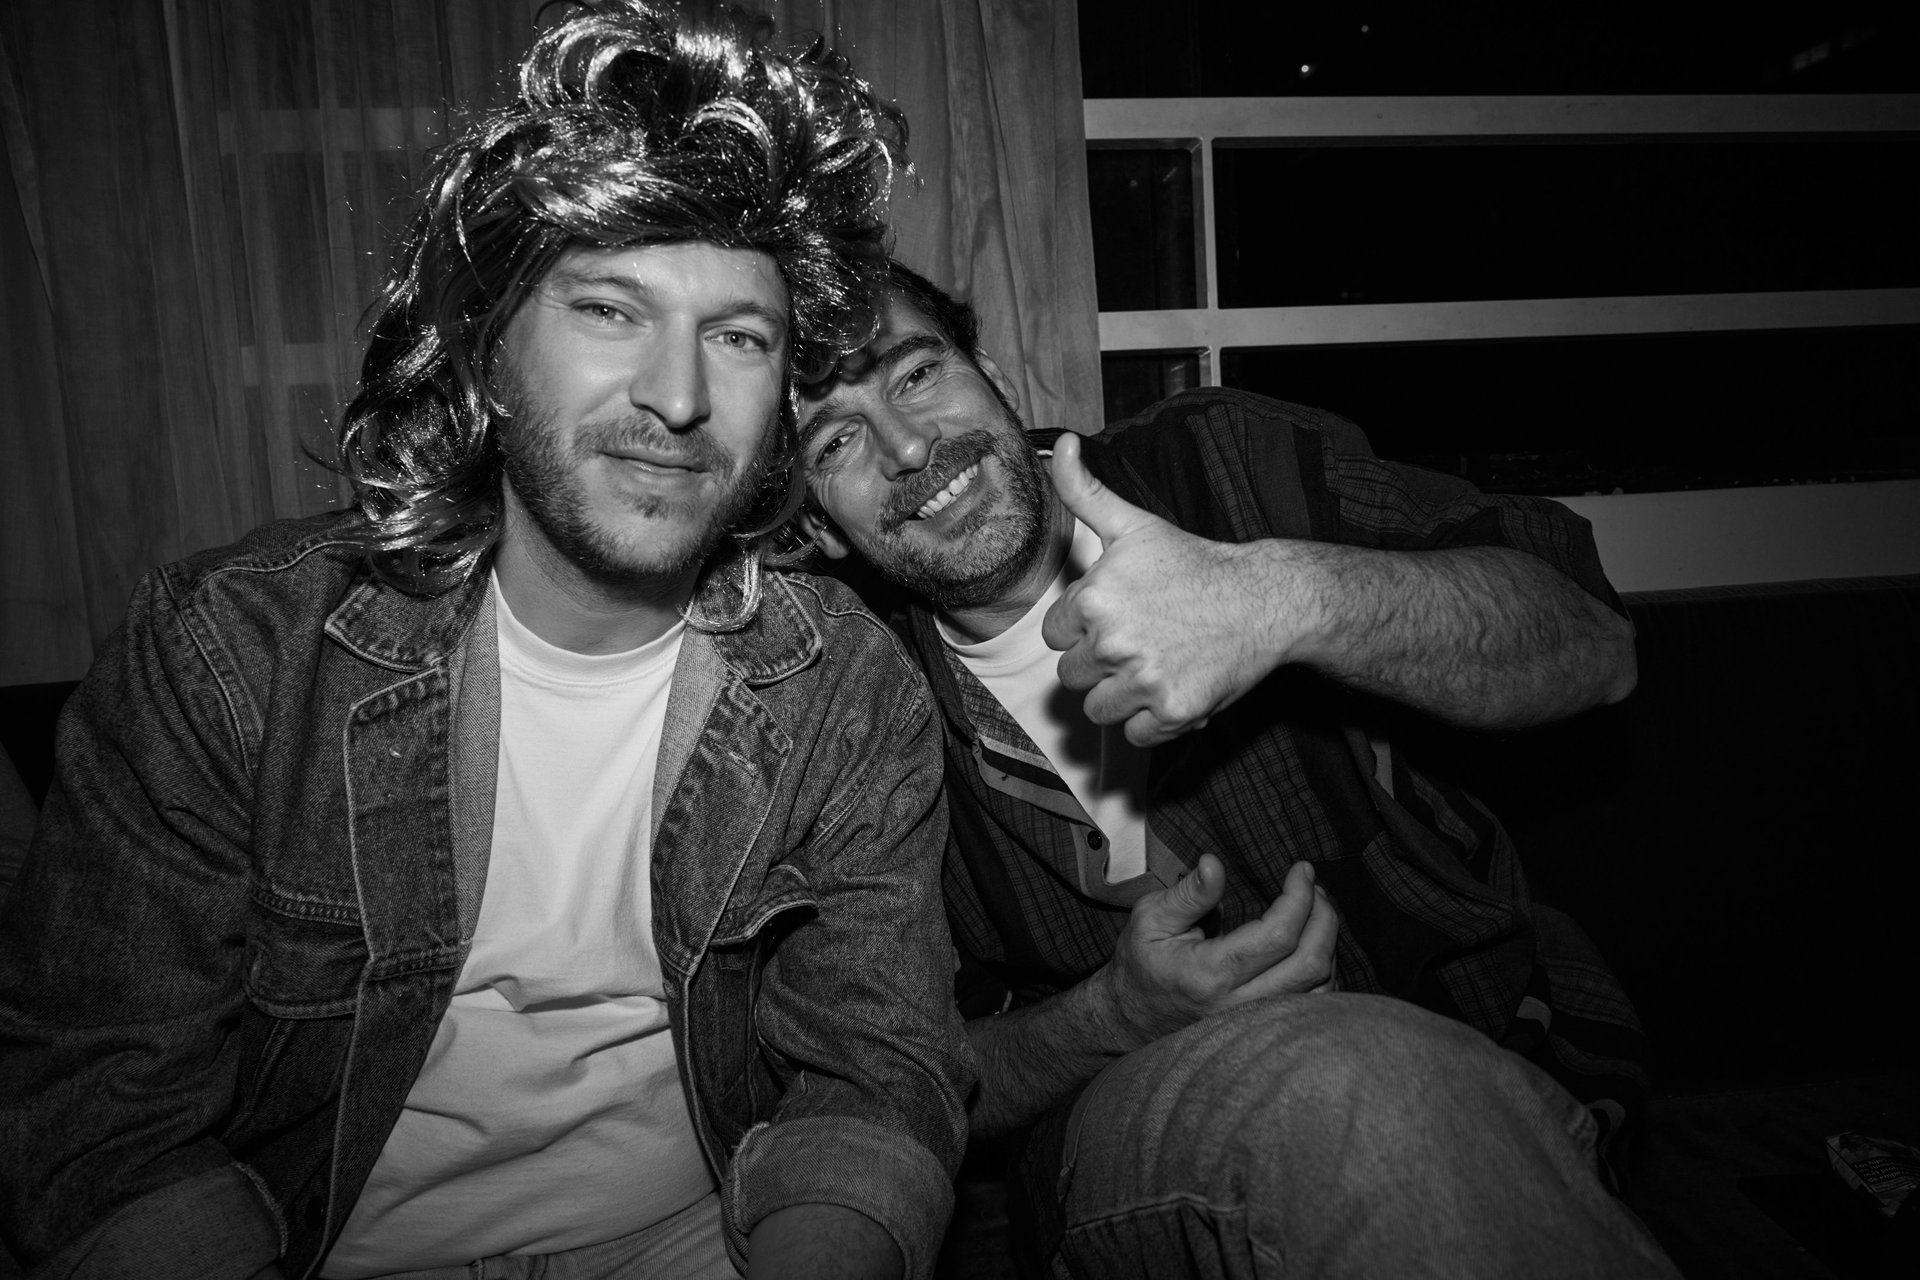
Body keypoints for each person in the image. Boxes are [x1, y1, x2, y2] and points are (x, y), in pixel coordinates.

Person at [0, 9, 975, 1280]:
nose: (679, 396)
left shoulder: (846, 690)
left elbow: (875, 1081)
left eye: (739, 336)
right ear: (484, 346)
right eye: (610, 309)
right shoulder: (233, 656)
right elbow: (98, 1116)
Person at [792, 261, 1681, 1278]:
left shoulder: (1219, 462)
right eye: (838, 441)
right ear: (816, 525)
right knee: (1363, 1095)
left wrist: (1283, 597)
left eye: (917, 374)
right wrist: (1112, 1014)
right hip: (1133, 1157)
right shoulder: (856, 712)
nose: (910, 446)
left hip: (1509, 1044)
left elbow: (1593, 645)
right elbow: (910, 1081)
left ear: (990, 371)